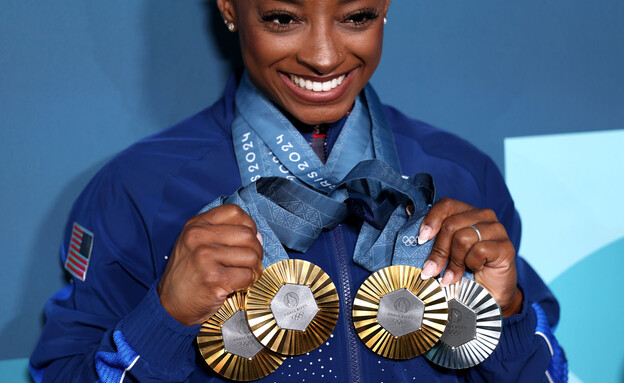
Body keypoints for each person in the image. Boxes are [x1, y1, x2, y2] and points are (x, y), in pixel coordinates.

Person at [30, 0, 567, 382]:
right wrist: (163, 319)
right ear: (228, 7)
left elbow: (546, 373)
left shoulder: (461, 172)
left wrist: (510, 314)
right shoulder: (139, 187)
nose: (324, 57)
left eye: (356, 17)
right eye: (283, 19)